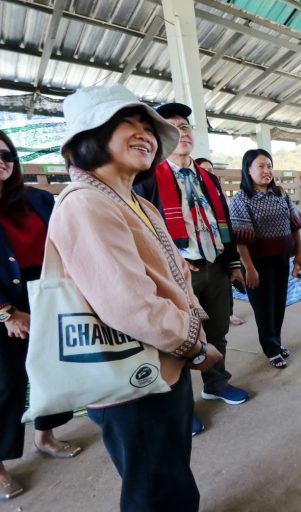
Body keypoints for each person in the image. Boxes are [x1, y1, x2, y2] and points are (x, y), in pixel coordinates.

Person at [51, 83, 223, 511]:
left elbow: (175, 277)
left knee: (169, 474)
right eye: (128, 122)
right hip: (131, 383)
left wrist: (191, 334)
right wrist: (195, 345)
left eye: (148, 126)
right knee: (154, 492)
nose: (145, 133)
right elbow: (130, 305)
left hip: (163, 367)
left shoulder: (137, 204)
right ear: (90, 137)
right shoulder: (86, 203)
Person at [134, 102, 248, 436]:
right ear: (160, 136)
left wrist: (233, 264)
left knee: (218, 332)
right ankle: (180, 407)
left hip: (215, 266)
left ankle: (216, 383)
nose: (181, 132)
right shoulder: (148, 179)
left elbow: (223, 222)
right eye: (171, 127)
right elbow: (142, 231)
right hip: (176, 273)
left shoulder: (207, 177)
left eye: (185, 125)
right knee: (178, 339)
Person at [0, 130, 82, 501]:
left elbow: (66, 241)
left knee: (54, 369)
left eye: (6, 155)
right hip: (6, 304)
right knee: (7, 384)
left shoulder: (37, 199)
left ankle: (45, 437)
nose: (1, 161)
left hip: (47, 297)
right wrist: (6, 313)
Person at [230, 149, 301, 369]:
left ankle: (276, 342)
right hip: (256, 264)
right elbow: (240, 239)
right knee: (263, 308)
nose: (267, 170)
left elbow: (295, 225)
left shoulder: (280, 194)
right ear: (248, 170)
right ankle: (271, 349)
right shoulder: (241, 199)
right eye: (261, 166)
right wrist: (249, 268)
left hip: (281, 260)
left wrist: (300, 253)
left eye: (270, 166)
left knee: (278, 304)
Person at [195, 157, 246, 327]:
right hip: (197, 258)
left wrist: (233, 260)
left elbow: (225, 224)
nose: (208, 173)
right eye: (204, 170)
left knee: (227, 283)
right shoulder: (191, 193)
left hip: (221, 250)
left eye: (211, 170)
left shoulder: (217, 191)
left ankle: (229, 313)